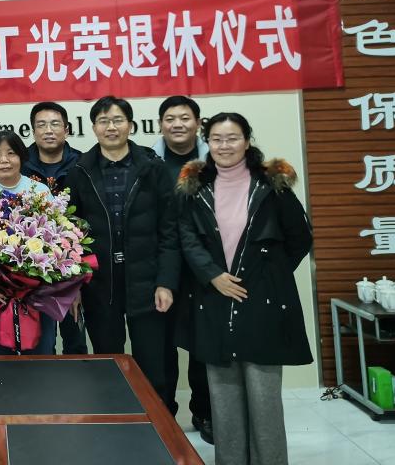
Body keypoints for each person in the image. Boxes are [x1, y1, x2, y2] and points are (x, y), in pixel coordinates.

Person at [176, 113, 312, 465]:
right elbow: (187, 239)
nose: (224, 146)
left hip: (262, 302)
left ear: (247, 141)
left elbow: (299, 237)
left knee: (264, 399)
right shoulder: (196, 187)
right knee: (224, 401)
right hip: (214, 299)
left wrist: (268, 276)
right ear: (208, 143)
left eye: (232, 138)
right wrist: (213, 276)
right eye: (217, 139)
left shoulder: (272, 186)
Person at [66, 96, 180, 409]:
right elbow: (70, 234)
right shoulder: (80, 171)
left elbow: (169, 231)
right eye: (103, 121)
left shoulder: (153, 168)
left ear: (130, 125)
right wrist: (74, 286)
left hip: (148, 280)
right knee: (108, 362)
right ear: (93, 128)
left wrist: (166, 282)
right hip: (100, 284)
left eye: (117, 120)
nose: (111, 127)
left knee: (155, 363)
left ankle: (163, 423)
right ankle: (114, 420)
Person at [153, 96, 213, 442]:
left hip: (205, 269)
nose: (177, 124)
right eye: (170, 118)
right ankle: (165, 414)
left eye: (185, 118)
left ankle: (204, 412)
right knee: (163, 346)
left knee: (204, 345)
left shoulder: (214, 163)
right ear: (161, 124)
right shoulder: (149, 163)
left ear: (198, 123)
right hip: (164, 268)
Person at [0, 129, 55, 355]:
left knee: (39, 363)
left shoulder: (40, 191)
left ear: (22, 157)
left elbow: (54, 241)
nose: (4, 160)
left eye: (11, 153)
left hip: (35, 296)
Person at [22, 101, 87, 355]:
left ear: (67, 129)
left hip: (76, 265)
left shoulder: (83, 164)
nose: (48, 130)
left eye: (55, 124)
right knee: (41, 344)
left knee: (76, 341)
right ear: (33, 131)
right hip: (34, 269)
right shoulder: (21, 164)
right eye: (41, 125)